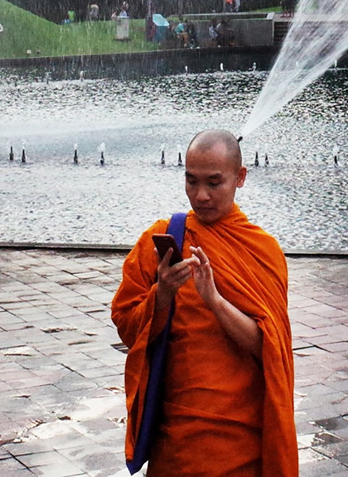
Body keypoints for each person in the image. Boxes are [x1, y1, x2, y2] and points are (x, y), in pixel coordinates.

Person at [112, 130, 296, 476]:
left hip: (241, 441)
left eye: (215, 183)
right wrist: (161, 294)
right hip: (176, 440)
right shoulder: (165, 239)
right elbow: (125, 326)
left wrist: (214, 301)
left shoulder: (262, 251)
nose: (202, 196)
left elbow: (269, 348)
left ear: (240, 178)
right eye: (191, 181)